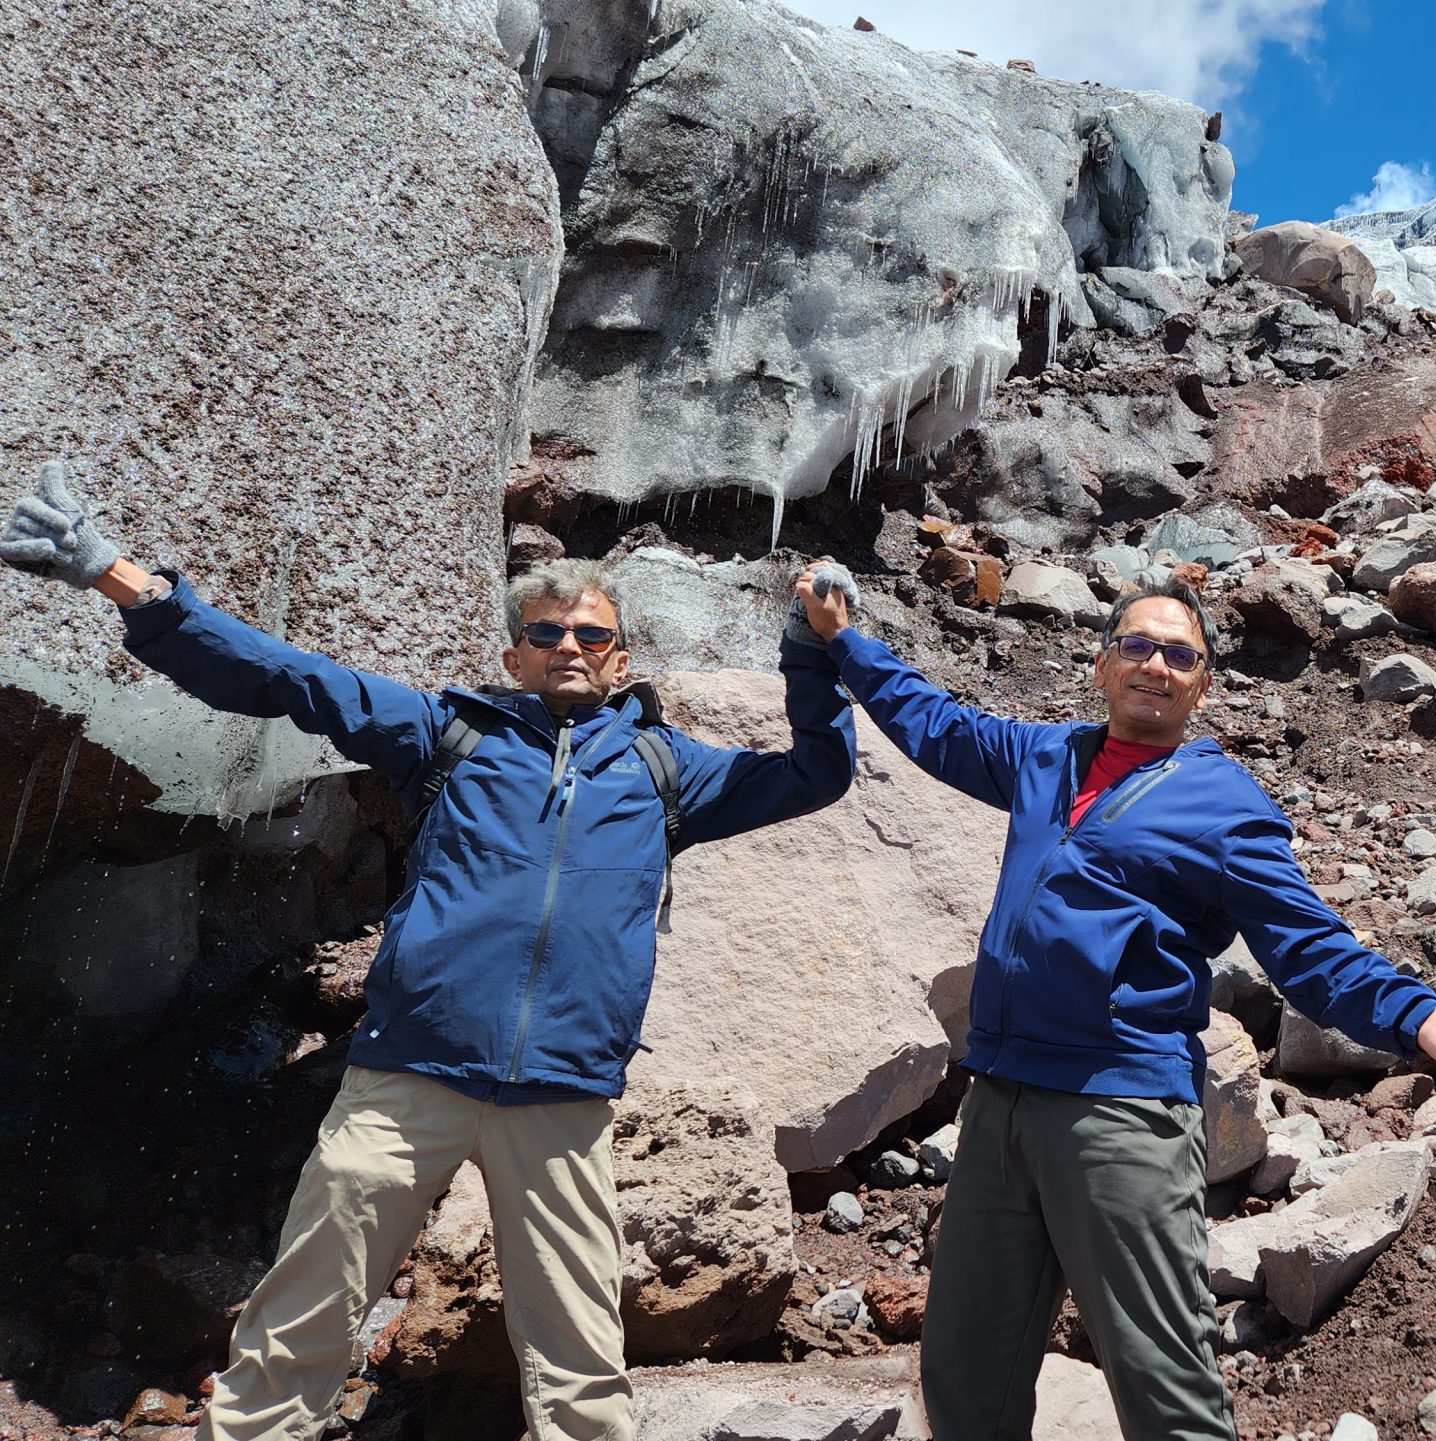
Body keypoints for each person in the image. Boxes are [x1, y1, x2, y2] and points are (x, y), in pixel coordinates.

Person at [1, 461, 858, 1441]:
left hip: (562, 1095)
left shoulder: (670, 771)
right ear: (516, 653)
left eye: (591, 635)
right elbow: (287, 677)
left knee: (580, 1358)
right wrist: (121, 577)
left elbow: (817, 771)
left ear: (620, 661)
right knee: (301, 1324)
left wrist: (813, 648)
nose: (568, 646)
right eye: (547, 633)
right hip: (407, 1077)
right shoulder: (445, 732)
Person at [791, 564, 1436, 1441]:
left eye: (1178, 656)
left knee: (1162, 1380)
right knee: (965, 1372)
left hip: (1121, 1109)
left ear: (1202, 684)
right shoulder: (1044, 757)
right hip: (999, 1100)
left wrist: (1414, 1014)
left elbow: (1306, 944)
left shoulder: (1224, 804)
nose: (1155, 665)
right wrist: (844, 639)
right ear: (1105, 665)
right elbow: (934, 724)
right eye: (1138, 646)